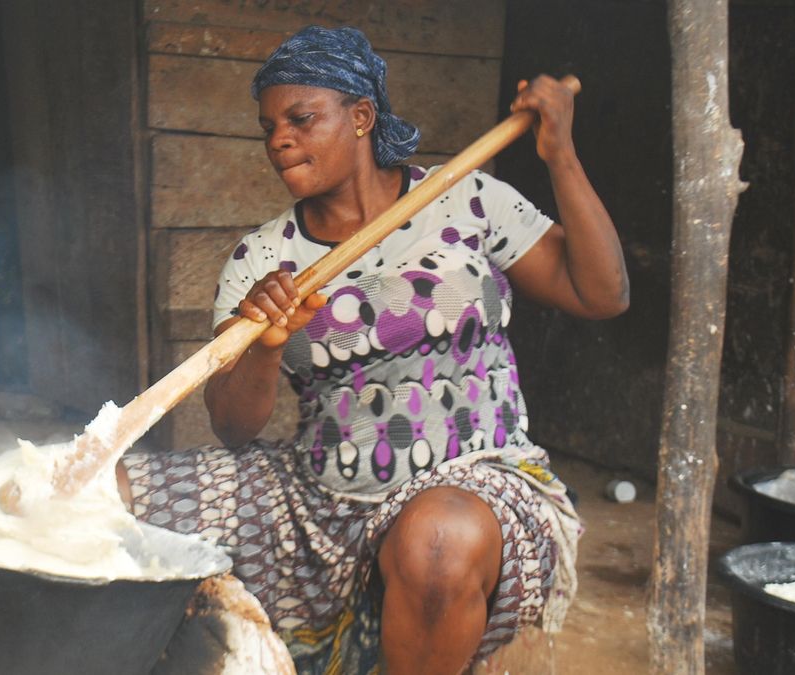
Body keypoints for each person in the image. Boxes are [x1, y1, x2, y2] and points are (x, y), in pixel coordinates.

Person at [118, 25, 628, 675]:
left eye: (300, 118)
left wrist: (560, 155)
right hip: (317, 493)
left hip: (477, 475)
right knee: (103, 490)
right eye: (268, 126)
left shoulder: (465, 197)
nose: (279, 139)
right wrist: (267, 342)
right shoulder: (262, 260)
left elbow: (603, 291)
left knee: (436, 540)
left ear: (361, 116)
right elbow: (233, 426)